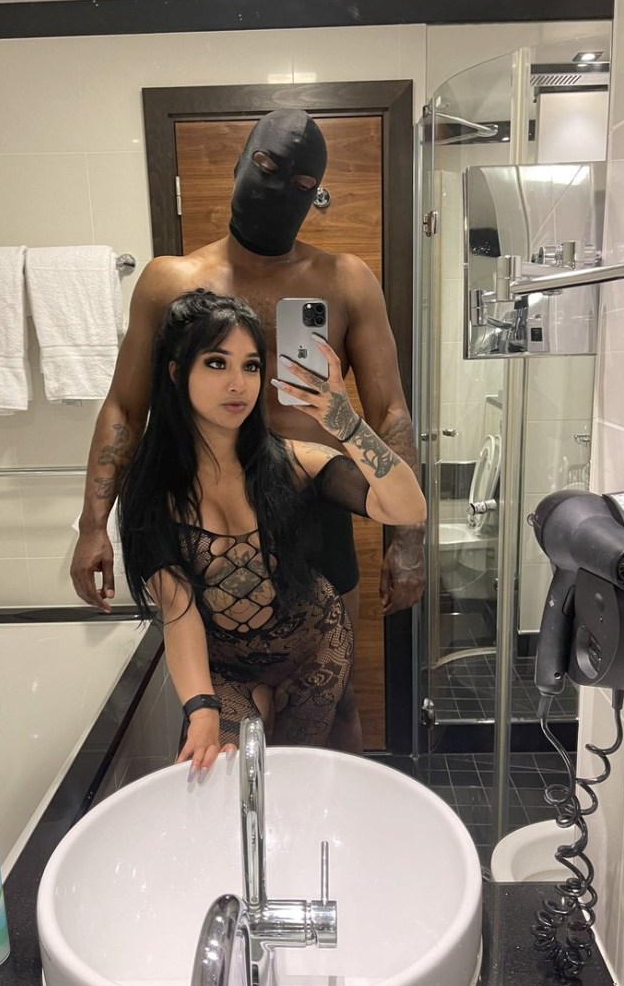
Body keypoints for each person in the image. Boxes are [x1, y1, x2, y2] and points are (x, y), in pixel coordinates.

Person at [71, 108, 425, 754]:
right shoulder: (172, 280)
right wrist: (93, 523)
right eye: (266, 166)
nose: (280, 186)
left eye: (302, 183)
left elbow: (392, 413)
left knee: (334, 692)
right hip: (207, 511)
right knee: (214, 691)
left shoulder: (345, 279)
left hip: (316, 501)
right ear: (238, 163)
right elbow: (125, 406)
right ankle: (239, 808)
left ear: (316, 196)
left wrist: (408, 541)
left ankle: (330, 812)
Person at [118, 290, 426, 775]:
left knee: (290, 777)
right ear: (177, 373)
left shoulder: (293, 461)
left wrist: (347, 424)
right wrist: (200, 708)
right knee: (226, 778)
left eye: (251, 366)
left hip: (313, 647)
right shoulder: (151, 489)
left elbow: (407, 506)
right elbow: (178, 609)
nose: (238, 384)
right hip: (223, 662)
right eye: (216, 363)